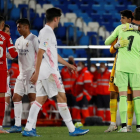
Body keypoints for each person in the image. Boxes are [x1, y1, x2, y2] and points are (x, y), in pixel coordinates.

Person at [22, 8, 89, 137]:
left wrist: (68, 65)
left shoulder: (45, 32)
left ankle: (29, 128)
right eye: (59, 19)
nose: (59, 21)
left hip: (44, 72)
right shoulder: (47, 32)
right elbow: (40, 52)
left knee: (40, 99)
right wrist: (36, 73)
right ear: (56, 18)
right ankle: (72, 129)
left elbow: (52, 54)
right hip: (50, 73)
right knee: (61, 97)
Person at [105, 7, 140, 132]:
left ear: (131, 17)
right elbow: (111, 49)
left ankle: (127, 125)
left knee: (128, 96)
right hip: (122, 64)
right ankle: (114, 123)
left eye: (123, 18)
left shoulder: (124, 28)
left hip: (126, 65)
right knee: (116, 93)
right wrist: (116, 45)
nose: (120, 20)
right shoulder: (121, 29)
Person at [7, 18, 39, 133]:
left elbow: (41, 56)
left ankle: (32, 127)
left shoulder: (34, 39)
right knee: (16, 97)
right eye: (17, 27)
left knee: (32, 98)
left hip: (31, 72)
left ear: (26, 27)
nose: (18, 29)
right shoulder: (18, 40)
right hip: (21, 73)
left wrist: (37, 72)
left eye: (19, 27)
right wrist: (4, 55)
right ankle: (17, 125)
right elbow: (14, 54)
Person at [0, 16, 18, 133]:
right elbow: (13, 53)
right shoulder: (6, 36)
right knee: (1, 97)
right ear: (2, 24)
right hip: (1, 70)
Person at [61, 56, 78, 121]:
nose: (71, 60)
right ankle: (66, 120)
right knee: (65, 107)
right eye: (69, 60)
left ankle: (74, 120)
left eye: (72, 59)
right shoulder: (63, 70)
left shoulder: (77, 69)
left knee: (74, 107)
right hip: (66, 92)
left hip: (74, 92)